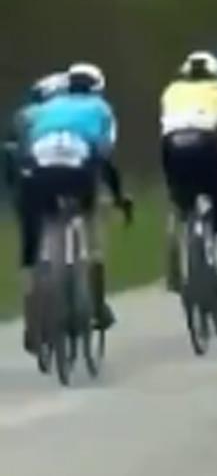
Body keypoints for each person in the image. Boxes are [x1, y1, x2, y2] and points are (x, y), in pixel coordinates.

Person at [24, 63, 133, 341]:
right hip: (77, 173)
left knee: (46, 225)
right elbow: (104, 157)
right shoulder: (101, 109)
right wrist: (119, 198)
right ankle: (96, 304)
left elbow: (28, 147)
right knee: (91, 226)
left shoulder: (46, 109)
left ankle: (38, 301)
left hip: (40, 171)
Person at [159, 52, 217, 301]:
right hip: (206, 141)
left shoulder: (170, 91)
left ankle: (175, 261)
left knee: (178, 202)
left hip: (172, 143)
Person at [5, 73, 67, 349]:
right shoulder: (64, 116)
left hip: (26, 189)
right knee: (69, 225)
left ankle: (32, 320)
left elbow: (9, 159)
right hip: (62, 183)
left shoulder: (21, 117)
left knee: (30, 257)